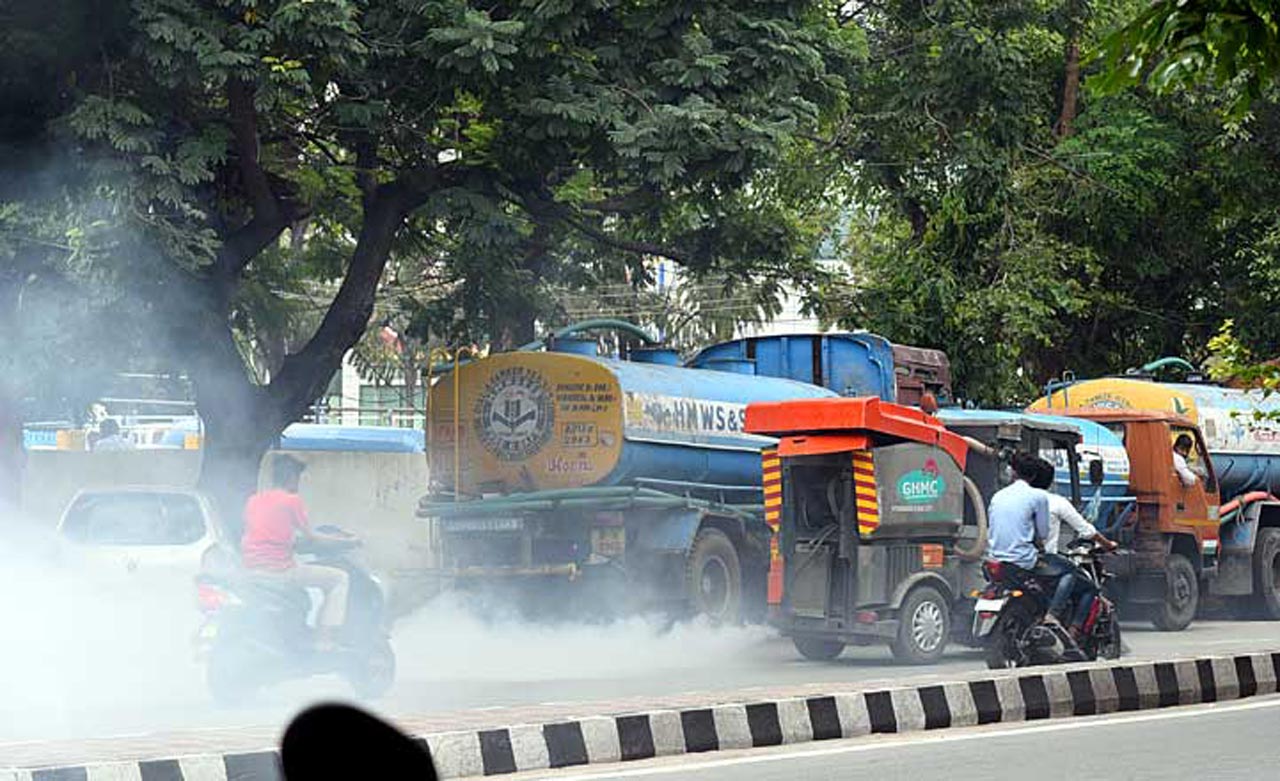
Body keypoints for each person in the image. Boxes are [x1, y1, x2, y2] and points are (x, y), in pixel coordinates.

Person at [242, 455, 351, 649]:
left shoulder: (253, 500)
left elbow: (263, 532)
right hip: (280, 571)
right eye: (298, 478)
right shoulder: (291, 501)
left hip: (252, 569)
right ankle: (324, 639)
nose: (298, 483)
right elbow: (313, 537)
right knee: (340, 579)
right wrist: (347, 541)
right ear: (292, 477)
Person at [1029, 461, 1117, 638]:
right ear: (1051, 481)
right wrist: (1108, 544)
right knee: (1085, 583)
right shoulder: (1055, 501)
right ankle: (1070, 629)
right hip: (1042, 562)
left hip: (1010, 559)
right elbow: (1086, 529)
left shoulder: (1016, 500)